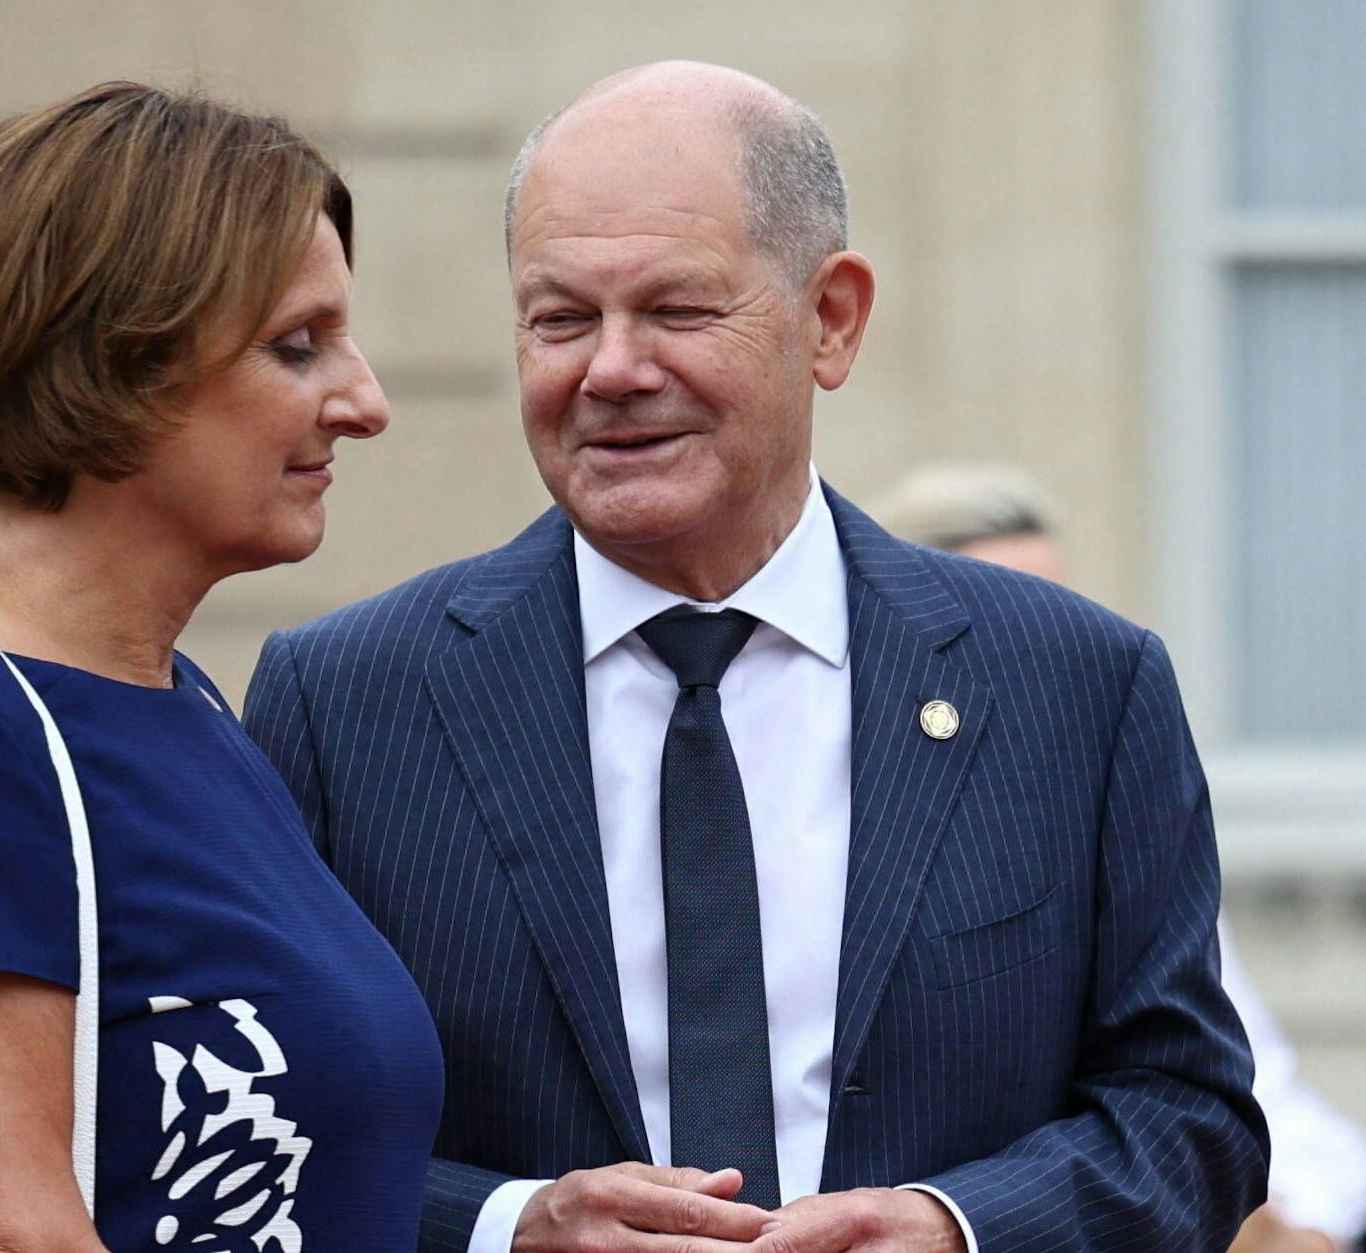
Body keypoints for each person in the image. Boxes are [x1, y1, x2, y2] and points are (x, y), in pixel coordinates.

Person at [244, 60, 1267, 1252]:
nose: (610, 370)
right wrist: (507, 1225)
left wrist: (956, 1228)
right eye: (560, 318)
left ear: (827, 319)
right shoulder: (349, 700)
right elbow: (257, 1131)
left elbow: (1189, 1111)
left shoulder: (1073, 686)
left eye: (675, 311)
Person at [0, 81, 442, 1253]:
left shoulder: (183, 711)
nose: (364, 400)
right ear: (117, 358)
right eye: (296, 345)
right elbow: (5, 1234)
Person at [873, 462, 1366, 1253]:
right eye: (991, 621)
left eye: (1054, 613)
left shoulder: (1113, 822)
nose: (1031, 655)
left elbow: (1255, 1100)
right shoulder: (863, 840)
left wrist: (1292, 1222)